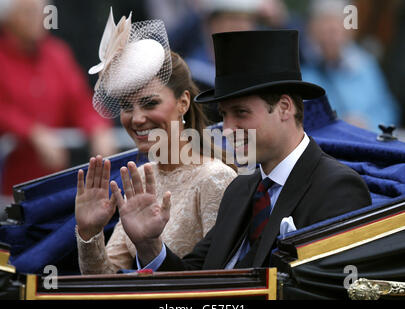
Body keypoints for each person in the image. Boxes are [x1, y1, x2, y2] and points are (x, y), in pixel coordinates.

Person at [109, 30, 372, 271]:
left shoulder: (336, 188)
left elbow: (322, 289)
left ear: (284, 108)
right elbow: (196, 279)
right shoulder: (241, 190)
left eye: (241, 113)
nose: (227, 129)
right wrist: (148, 245)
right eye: (224, 115)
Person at [74, 11, 237, 274]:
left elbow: (214, 284)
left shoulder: (216, 178)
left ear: (183, 102)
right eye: (126, 107)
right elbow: (105, 282)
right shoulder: (138, 177)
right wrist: (89, 233)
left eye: (150, 103)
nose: (137, 119)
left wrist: (149, 244)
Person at [0, 0, 117, 196]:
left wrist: (98, 128)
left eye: (43, 12)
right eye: (29, 13)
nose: (41, 19)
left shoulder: (57, 54)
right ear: (8, 19)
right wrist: (31, 132)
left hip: (54, 182)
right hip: (10, 185)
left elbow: (79, 101)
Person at [300, 0, 400, 132]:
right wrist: (338, 124)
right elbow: (301, 118)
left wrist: (368, 124)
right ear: (313, 31)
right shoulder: (304, 69)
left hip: (367, 139)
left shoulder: (365, 65)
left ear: (348, 31)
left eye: (335, 30)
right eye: (325, 30)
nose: (331, 37)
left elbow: (388, 110)